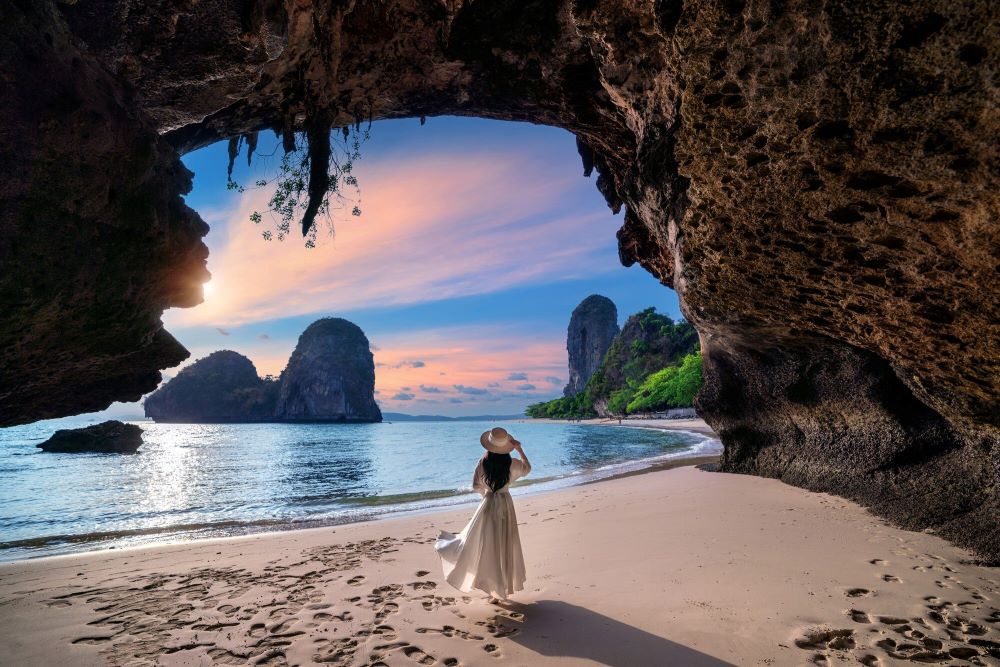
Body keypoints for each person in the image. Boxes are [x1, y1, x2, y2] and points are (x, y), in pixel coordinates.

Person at [434, 426, 531, 601]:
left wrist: (487, 495)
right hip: (505, 503)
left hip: (488, 503)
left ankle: (493, 588)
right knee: (504, 544)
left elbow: (475, 485)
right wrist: (519, 449)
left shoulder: (483, 462)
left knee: (485, 544)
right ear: (506, 446)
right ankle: (502, 588)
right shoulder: (512, 463)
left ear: (490, 445)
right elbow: (527, 468)